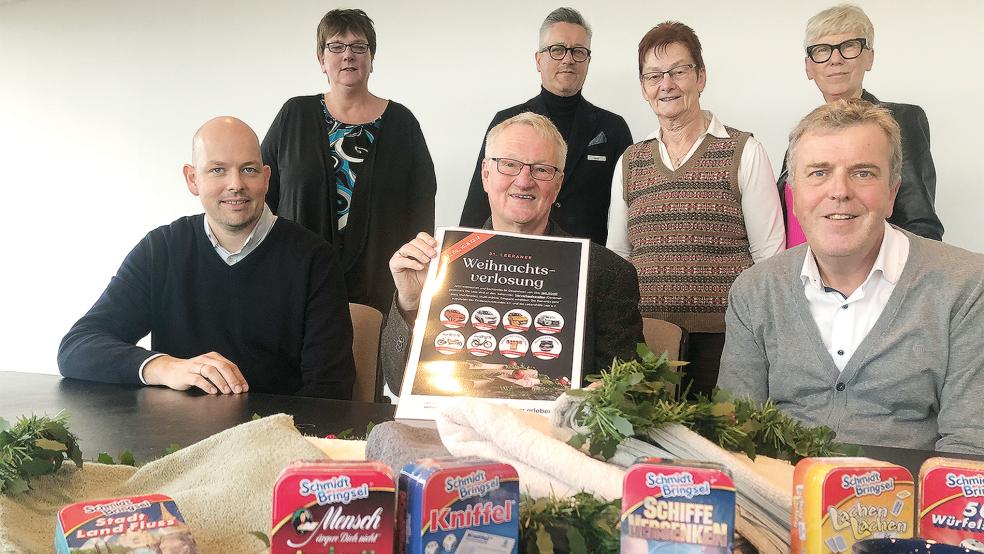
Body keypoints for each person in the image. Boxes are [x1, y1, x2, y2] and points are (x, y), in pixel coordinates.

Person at [718, 100, 984, 453]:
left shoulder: (965, 286)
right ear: (794, 198)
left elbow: (969, 448)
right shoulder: (755, 291)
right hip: (779, 500)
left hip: (910, 502)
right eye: (819, 172)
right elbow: (732, 435)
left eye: (863, 173)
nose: (839, 191)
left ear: (892, 194)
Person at [58, 117, 355, 399]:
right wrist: (166, 367)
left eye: (248, 169)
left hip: (276, 440)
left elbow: (330, 391)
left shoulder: (315, 260)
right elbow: (77, 348)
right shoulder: (161, 250)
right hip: (176, 438)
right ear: (192, 179)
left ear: (266, 178)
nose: (235, 184)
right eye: (217, 170)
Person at [382, 112, 643, 394]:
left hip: (553, 434)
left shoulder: (607, 273)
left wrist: (605, 392)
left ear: (557, 185)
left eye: (541, 169)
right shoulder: (439, 262)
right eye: (509, 165)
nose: (523, 181)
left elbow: (627, 393)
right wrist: (410, 305)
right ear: (485, 174)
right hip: (454, 430)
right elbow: (399, 385)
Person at [606, 21, 785, 397]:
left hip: (726, 342)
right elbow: (619, 258)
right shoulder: (630, 160)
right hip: (647, 339)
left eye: (678, 71)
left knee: (722, 449)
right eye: (653, 75)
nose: (666, 84)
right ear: (643, 87)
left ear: (700, 77)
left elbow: (770, 257)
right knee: (652, 449)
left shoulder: (743, 151)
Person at [261, 9, 437, 314]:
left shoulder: (402, 123)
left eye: (359, 46)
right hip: (298, 284)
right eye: (336, 46)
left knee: (372, 360)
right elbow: (261, 191)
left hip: (380, 289)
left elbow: (421, 205)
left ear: (371, 58)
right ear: (321, 59)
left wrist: (413, 278)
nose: (348, 55)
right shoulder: (294, 115)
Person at [458, 7, 632, 245]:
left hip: (590, 267)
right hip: (513, 263)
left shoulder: (613, 129)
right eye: (557, 50)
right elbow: (479, 203)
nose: (568, 59)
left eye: (578, 52)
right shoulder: (507, 122)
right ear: (539, 59)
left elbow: (625, 215)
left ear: (588, 61)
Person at [777, 4, 943, 246]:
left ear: (869, 57)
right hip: (800, 276)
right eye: (822, 50)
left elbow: (921, 225)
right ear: (809, 67)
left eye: (848, 46)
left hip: (870, 276)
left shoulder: (900, 120)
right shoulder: (803, 136)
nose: (836, 59)